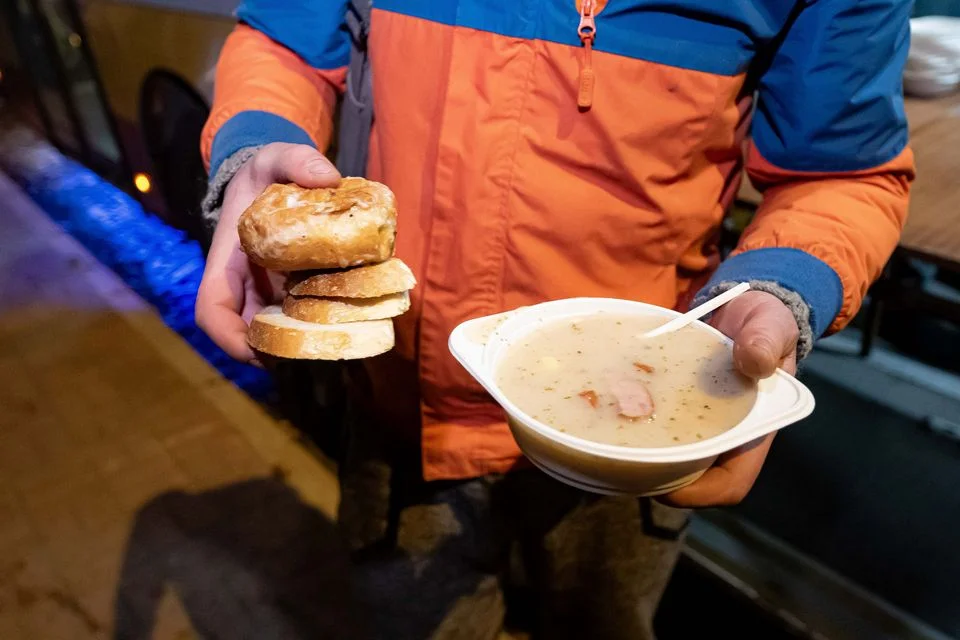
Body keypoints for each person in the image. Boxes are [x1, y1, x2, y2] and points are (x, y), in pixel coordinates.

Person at [195, 1, 914, 637]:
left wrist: (779, 285)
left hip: (637, 439)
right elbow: (287, 38)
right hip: (401, 405)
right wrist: (256, 145)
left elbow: (842, 170)